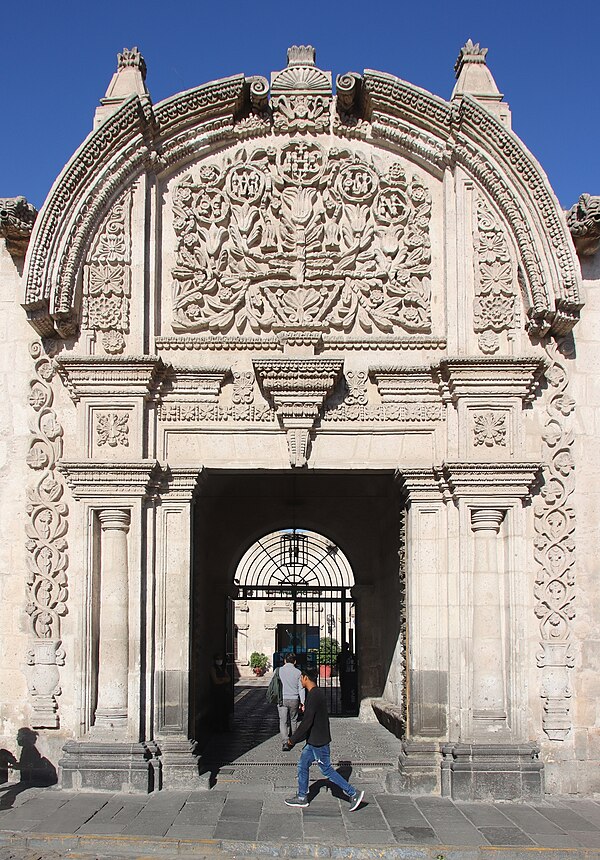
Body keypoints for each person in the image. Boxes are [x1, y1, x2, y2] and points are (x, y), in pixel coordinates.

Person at [282, 667, 364, 811]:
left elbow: (307, 722)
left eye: (301, 677)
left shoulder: (314, 695)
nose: (300, 680)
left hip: (318, 741)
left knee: (326, 769)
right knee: (302, 764)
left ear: (306, 677)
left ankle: (353, 793)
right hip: (314, 740)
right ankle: (302, 797)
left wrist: (292, 740)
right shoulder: (315, 694)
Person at [278, 653, 305, 744]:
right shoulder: (298, 672)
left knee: (283, 721)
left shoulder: (278, 671)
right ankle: (293, 738)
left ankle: (285, 741)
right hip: (294, 698)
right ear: (295, 661)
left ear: (284, 660)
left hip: (282, 698)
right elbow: (301, 688)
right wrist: (302, 702)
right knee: (294, 719)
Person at [209, 652, 231, 731]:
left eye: (220, 659)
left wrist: (222, 680)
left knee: (225, 709)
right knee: (218, 710)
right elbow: (215, 681)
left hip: (224, 691)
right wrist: (223, 680)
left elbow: (228, 678)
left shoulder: (222, 668)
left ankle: (225, 726)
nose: (219, 660)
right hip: (217, 692)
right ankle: (218, 727)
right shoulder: (213, 668)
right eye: (218, 659)